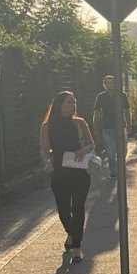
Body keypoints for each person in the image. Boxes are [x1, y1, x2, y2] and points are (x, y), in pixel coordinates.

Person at [40, 91, 95, 263]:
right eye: (69, 102)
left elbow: (92, 144)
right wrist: (49, 157)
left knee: (78, 208)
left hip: (80, 172)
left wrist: (82, 151)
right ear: (59, 105)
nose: (73, 105)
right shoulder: (47, 126)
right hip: (60, 173)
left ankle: (77, 247)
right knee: (64, 211)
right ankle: (72, 234)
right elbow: (45, 149)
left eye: (74, 102)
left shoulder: (80, 123)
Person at [92, 75, 129, 180]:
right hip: (107, 127)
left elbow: (127, 111)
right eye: (107, 83)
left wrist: (129, 124)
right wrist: (96, 127)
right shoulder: (101, 96)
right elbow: (96, 113)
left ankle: (121, 170)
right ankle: (113, 172)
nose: (109, 85)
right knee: (111, 152)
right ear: (104, 84)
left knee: (122, 151)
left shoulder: (122, 95)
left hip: (121, 126)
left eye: (111, 82)